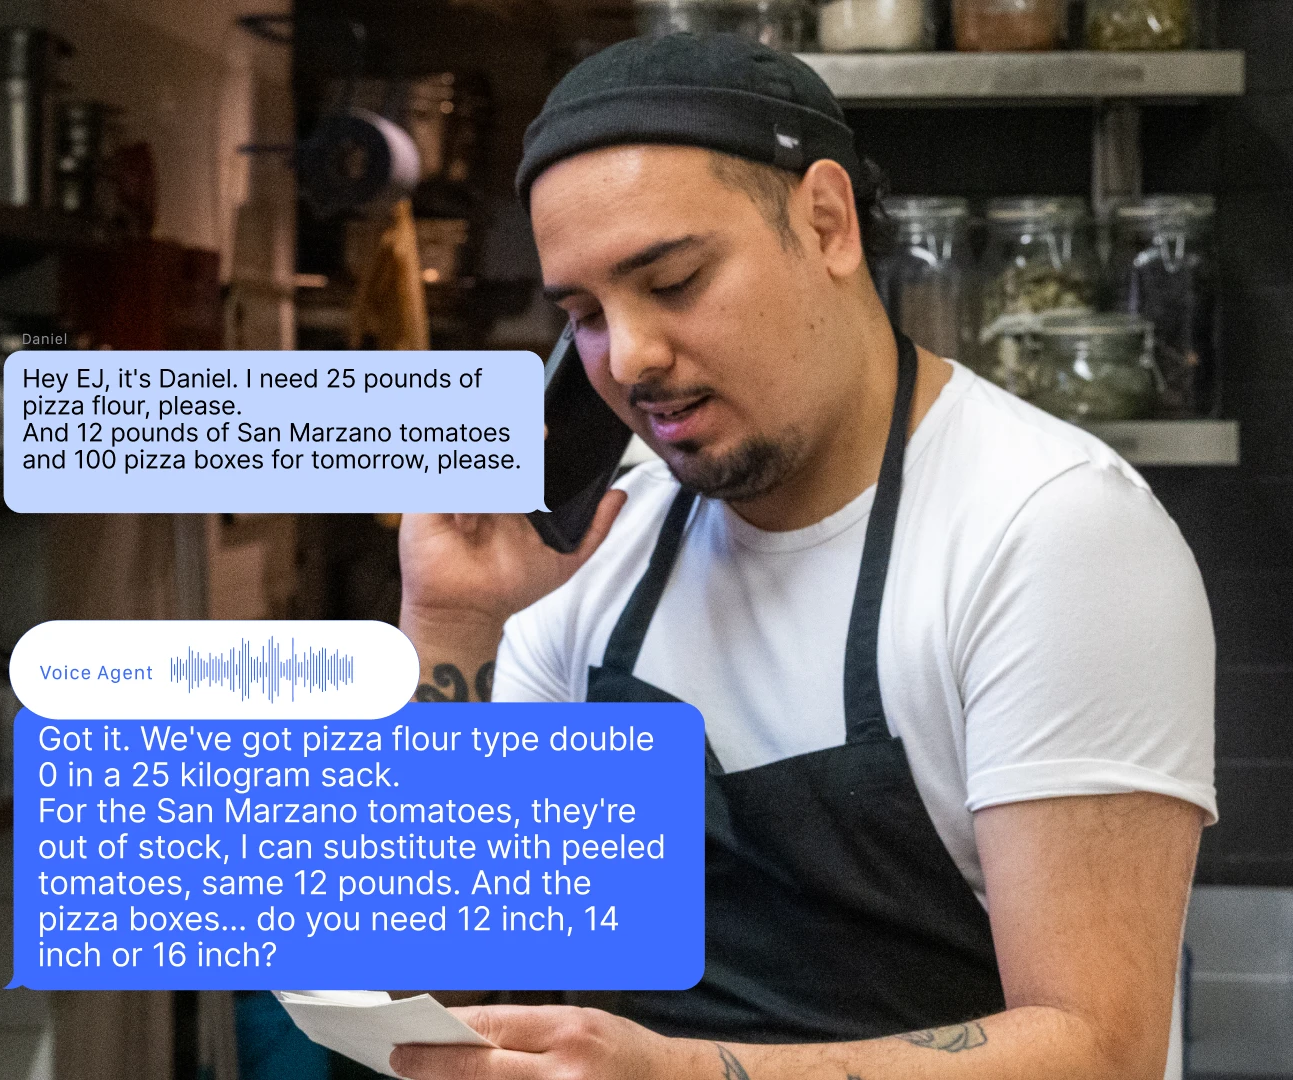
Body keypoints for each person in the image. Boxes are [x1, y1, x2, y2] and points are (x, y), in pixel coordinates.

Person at [392, 33, 1216, 1080]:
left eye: (674, 280)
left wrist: (688, 1074)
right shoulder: (599, 546)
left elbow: (1098, 1049)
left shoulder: (1050, 533)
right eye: (586, 316)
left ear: (826, 223)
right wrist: (451, 623)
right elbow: (432, 988)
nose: (632, 357)